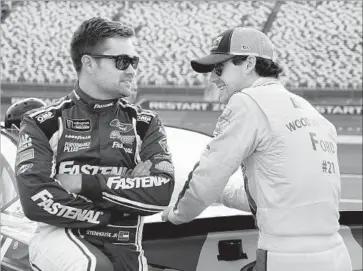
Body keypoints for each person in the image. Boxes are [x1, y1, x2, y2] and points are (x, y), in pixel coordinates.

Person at [162, 27, 352, 271]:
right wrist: (224, 195)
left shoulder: (247, 102)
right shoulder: (310, 111)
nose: (212, 78)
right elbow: (282, 194)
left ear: (249, 63)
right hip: (337, 256)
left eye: (219, 68)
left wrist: (176, 214)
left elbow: (208, 176)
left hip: (286, 258)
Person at [15, 17, 175, 271]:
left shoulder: (145, 123)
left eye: (135, 61)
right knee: (92, 267)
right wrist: (115, 206)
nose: (132, 70)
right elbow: (35, 199)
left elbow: (161, 192)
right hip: (60, 239)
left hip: (127, 247)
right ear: (88, 63)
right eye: (122, 61)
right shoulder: (42, 123)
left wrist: (82, 183)